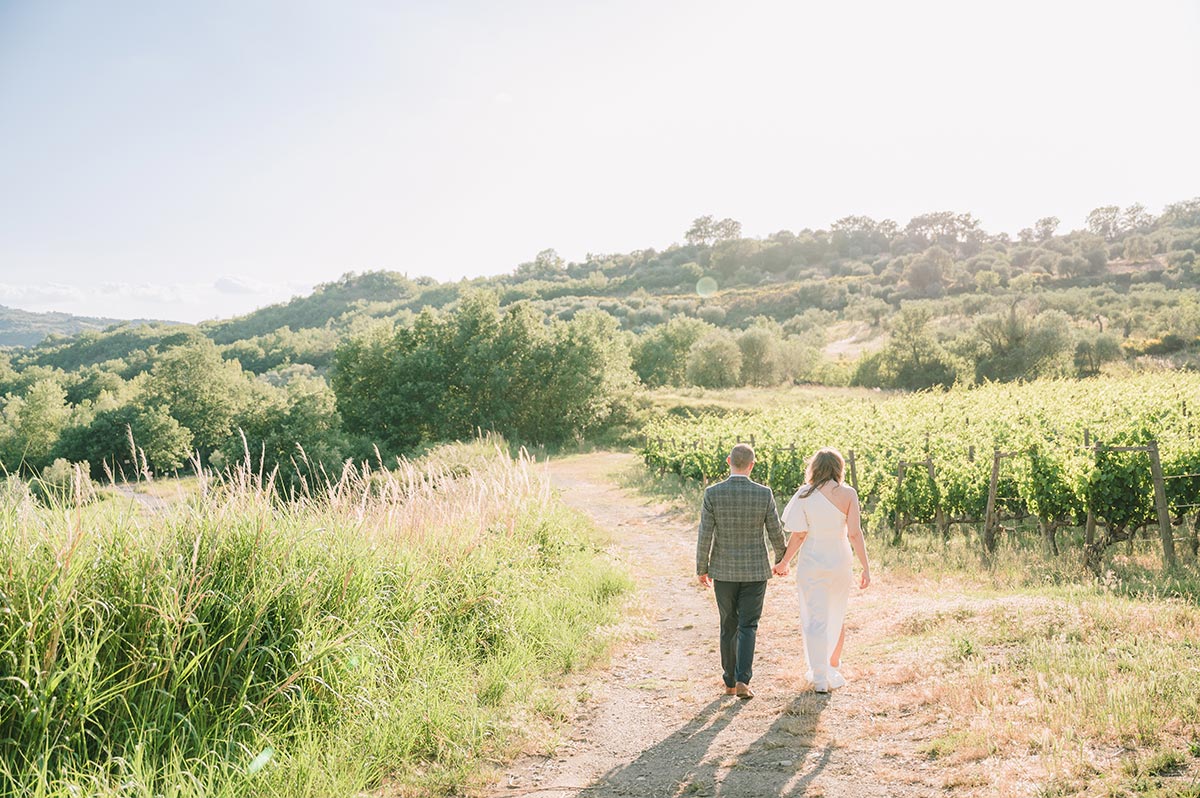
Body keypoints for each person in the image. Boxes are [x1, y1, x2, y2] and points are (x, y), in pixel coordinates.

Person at [773, 447, 871, 694]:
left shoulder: (804, 494)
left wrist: (784, 562)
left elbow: (799, 534)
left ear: (814, 468)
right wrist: (866, 567)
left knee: (815, 616)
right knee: (836, 611)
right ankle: (829, 667)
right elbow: (854, 533)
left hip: (812, 560)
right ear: (839, 468)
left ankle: (819, 677)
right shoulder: (848, 494)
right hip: (839, 559)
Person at [696, 443, 787, 700]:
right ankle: (743, 679)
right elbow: (775, 531)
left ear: (728, 461)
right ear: (752, 464)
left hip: (723, 571)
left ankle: (728, 683)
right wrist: (782, 559)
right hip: (755, 571)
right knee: (748, 625)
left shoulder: (713, 493)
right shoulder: (763, 494)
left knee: (728, 624)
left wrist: (702, 568)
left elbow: (705, 535)